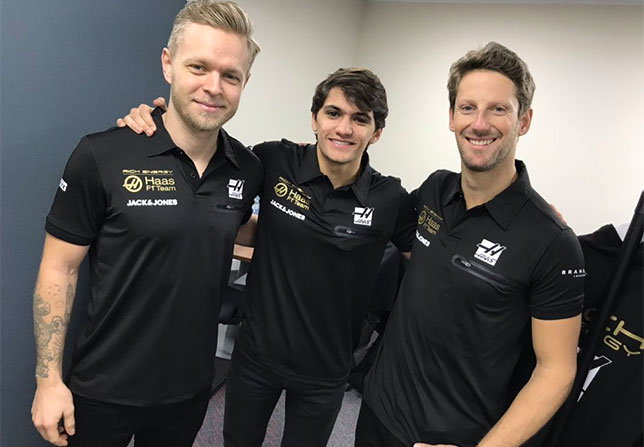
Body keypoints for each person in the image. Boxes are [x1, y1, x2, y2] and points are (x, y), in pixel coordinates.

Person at [117, 67, 416, 446]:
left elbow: (431, 267)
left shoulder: (390, 199)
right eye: (333, 113)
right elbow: (204, 151)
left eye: (360, 119)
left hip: (325, 372)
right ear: (315, 118)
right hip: (256, 356)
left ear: (376, 132)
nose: (343, 128)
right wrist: (157, 119)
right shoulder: (274, 160)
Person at [30, 1, 262, 446]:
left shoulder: (248, 169)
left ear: (244, 83)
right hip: (102, 389)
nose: (213, 87)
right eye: (198, 67)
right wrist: (48, 380)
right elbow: (60, 268)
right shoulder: (102, 154)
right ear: (168, 64)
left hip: (188, 391)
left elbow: (216, 230)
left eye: (230, 76)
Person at [356, 42, 585, 447]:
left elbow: (556, 371)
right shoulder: (435, 189)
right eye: (467, 107)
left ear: (524, 120)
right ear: (451, 116)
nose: (479, 124)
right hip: (376, 411)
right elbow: (394, 230)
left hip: (450, 437)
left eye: (498, 109)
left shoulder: (552, 243)